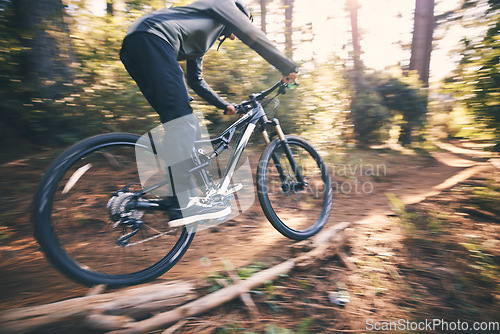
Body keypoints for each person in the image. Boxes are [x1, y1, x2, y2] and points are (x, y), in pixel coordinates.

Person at [120, 0, 299, 226]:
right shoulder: (222, 4)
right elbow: (250, 33)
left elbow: (196, 80)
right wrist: (287, 66)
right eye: (238, 24)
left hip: (135, 46)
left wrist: (224, 105)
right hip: (153, 39)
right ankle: (183, 203)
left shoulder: (198, 31)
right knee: (185, 124)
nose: (233, 37)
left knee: (179, 124)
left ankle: (177, 194)